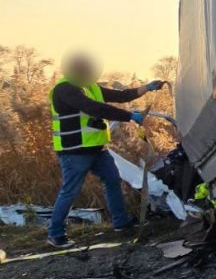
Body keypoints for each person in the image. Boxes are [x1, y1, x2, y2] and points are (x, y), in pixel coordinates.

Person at [46, 52, 167, 248]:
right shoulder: (65, 89)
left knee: (112, 179)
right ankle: (55, 234)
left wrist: (146, 87)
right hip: (74, 151)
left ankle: (121, 222)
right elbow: (94, 108)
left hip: (96, 150)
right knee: (70, 191)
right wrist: (130, 116)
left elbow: (121, 96)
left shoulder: (91, 87)